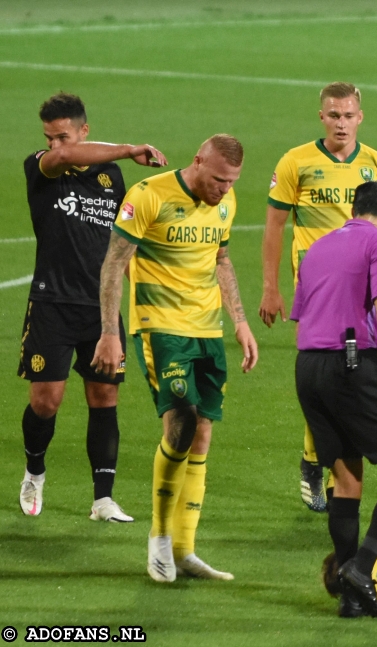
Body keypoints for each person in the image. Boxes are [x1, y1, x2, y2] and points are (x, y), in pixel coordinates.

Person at [91, 134, 258, 583]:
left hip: (207, 331)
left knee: (201, 435)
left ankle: (184, 549)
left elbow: (221, 259)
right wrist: (109, 332)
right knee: (181, 423)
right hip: (161, 330)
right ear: (197, 160)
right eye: (218, 179)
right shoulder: (149, 196)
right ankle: (159, 538)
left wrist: (239, 320)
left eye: (232, 182)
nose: (224, 189)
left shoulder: (227, 202)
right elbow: (113, 264)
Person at [260, 82, 377, 513]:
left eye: (348, 115)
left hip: (366, 284)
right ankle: (319, 462)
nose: (341, 123)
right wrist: (271, 288)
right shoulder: (296, 162)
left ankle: (320, 459)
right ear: (321, 117)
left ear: (360, 117)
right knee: (329, 366)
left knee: (351, 369)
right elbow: (273, 226)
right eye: (333, 115)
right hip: (318, 286)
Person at [17, 92, 167, 522]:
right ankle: (35, 470)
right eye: (49, 137)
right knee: (47, 401)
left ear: (85, 130)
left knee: (104, 396)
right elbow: (58, 159)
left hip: (99, 307)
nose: (55, 146)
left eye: (63, 137)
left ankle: (103, 498)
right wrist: (131, 147)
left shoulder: (112, 177)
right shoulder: (40, 167)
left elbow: (122, 246)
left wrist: (138, 298)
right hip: (51, 303)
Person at [292, 181, 377, 619]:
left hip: (308, 369)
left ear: (353, 208)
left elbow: (304, 310)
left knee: (347, 479)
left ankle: (350, 599)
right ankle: (362, 570)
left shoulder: (318, 247)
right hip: (352, 367)